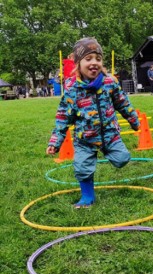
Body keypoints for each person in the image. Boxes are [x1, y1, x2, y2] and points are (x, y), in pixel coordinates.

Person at [46, 37, 139, 208]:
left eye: (98, 58)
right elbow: (62, 118)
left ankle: (106, 152)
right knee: (82, 168)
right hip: (85, 139)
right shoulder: (72, 89)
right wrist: (55, 142)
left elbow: (122, 103)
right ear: (78, 63)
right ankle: (87, 198)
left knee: (122, 159)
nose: (94, 62)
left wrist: (134, 121)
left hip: (109, 135)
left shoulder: (110, 82)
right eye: (88, 59)